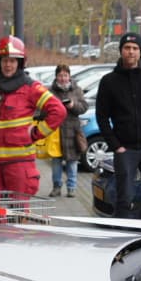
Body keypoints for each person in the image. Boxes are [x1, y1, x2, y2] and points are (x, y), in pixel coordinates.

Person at [0, 35, 65, 201]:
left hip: (19, 163)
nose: (8, 65)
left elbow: (58, 111)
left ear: (20, 63)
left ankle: (13, 227)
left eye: (12, 61)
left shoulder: (31, 88)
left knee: (18, 213)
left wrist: (35, 134)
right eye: (4, 60)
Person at [94, 33, 141, 218]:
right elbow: (101, 116)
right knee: (124, 199)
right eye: (127, 48)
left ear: (140, 51)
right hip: (125, 150)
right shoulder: (109, 81)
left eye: (135, 48)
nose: (131, 52)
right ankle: (122, 235)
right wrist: (115, 145)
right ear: (121, 51)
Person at [46, 64, 88, 198]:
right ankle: (56, 187)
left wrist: (73, 105)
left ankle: (71, 188)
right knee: (56, 162)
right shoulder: (50, 91)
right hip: (56, 132)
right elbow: (43, 109)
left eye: (65, 75)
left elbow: (84, 107)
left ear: (69, 76)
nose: (63, 78)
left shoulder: (77, 90)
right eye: (60, 75)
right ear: (56, 76)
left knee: (72, 161)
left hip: (72, 131)